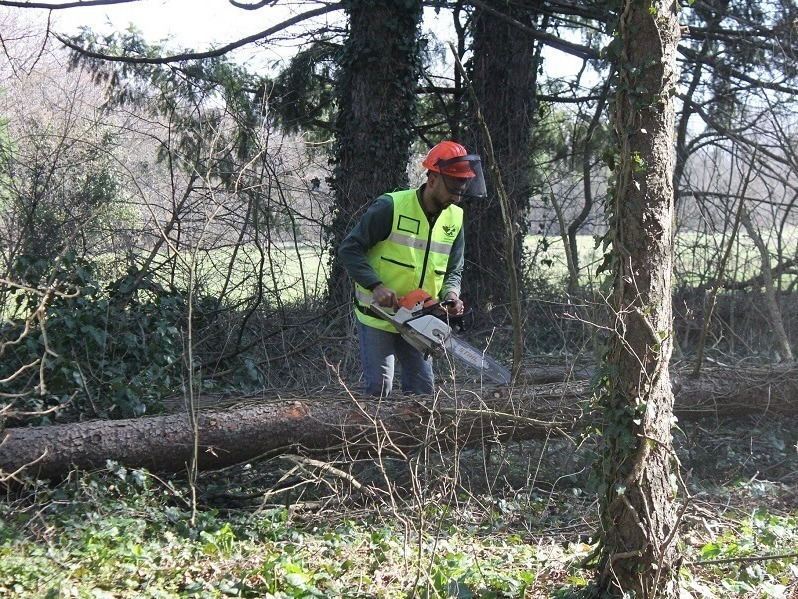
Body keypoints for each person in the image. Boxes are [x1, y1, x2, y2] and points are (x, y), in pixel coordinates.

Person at [338, 140, 487, 396]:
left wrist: (452, 294)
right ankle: (373, 435)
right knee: (379, 388)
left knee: (422, 390)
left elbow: (454, 267)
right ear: (432, 179)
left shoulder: (455, 217)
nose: (456, 197)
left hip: (420, 319)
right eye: (452, 189)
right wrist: (376, 286)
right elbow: (349, 249)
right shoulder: (391, 207)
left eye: (461, 190)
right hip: (379, 314)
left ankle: (416, 436)